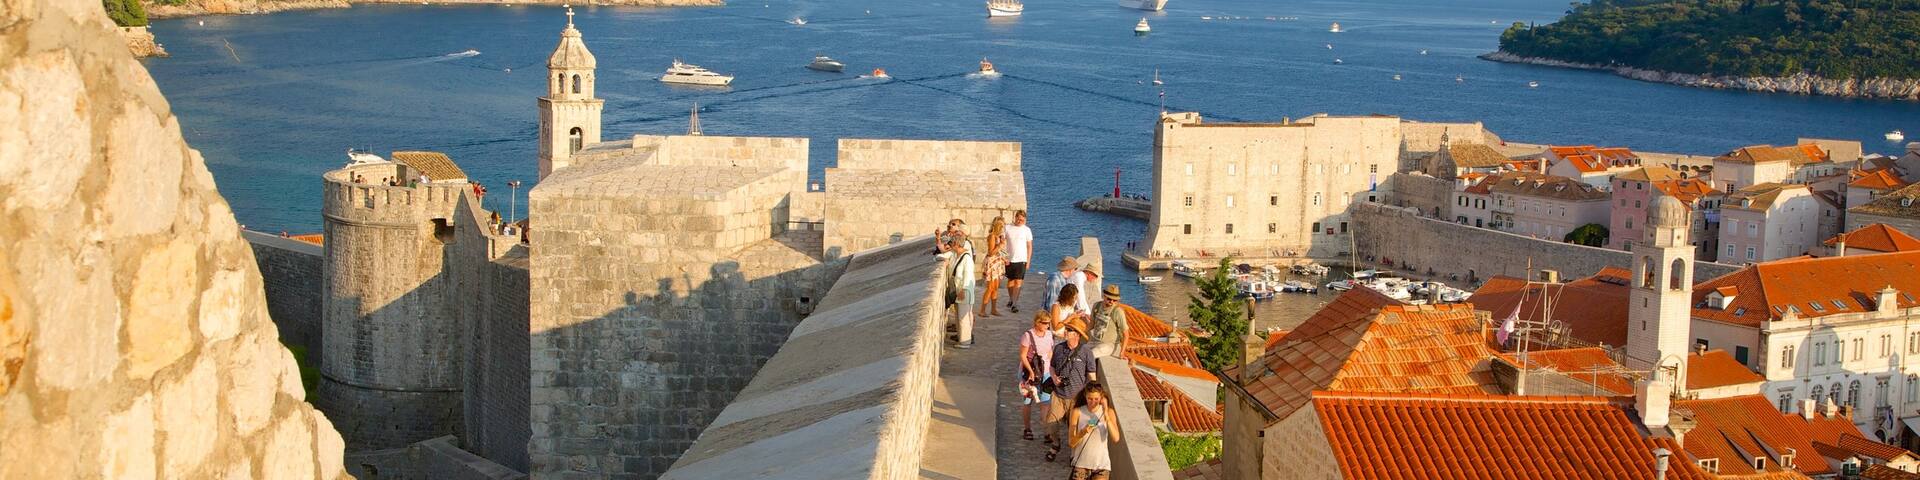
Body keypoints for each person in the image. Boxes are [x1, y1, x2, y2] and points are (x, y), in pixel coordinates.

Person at [1045, 322, 1097, 462]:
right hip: (1058, 394)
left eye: (1070, 330)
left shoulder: (1086, 352)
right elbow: (1052, 367)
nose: (1066, 331)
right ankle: (1056, 444)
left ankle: (1074, 452)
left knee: (1073, 426)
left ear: (1077, 335)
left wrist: (1091, 395)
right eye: (1067, 329)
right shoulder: (1058, 349)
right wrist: (1054, 377)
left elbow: (1091, 375)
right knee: (1051, 423)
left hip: (1076, 397)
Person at [1017, 313, 1056, 442]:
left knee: (1046, 402)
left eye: (1048, 323)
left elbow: (1050, 352)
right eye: (1045, 323)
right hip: (1030, 372)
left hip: (1046, 372)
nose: (1047, 325)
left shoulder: (1049, 334)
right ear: (1037, 322)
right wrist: (1030, 372)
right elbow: (1023, 355)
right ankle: (1027, 429)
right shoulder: (1027, 336)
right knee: (1028, 401)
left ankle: (1046, 431)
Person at [1067, 386, 1121, 480]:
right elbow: (1071, 443)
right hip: (1081, 465)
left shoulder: (1109, 412)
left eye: (1096, 399)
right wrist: (1083, 432)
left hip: (1102, 465)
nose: (1093, 402)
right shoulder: (1077, 412)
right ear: (1085, 396)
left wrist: (1106, 415)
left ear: (1101, 397)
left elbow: (1116, 438)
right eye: (1090, 399)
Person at [946, 238, 976, 349]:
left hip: (965, 291)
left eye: (951, 244)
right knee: (959, 316)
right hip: (959, 291)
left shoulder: (966, 258)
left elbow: (967, 276)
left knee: (963, 317)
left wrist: (963, 290)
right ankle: (961, 338)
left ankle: (965, 342)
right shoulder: (957, 255)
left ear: (956, 244)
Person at [977, 216, 1010, 318]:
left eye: (1003, 225)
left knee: (995, 288)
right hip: (992, 264)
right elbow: (991, 253)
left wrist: (1004, 259)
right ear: (996, 226)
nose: (1002, 228)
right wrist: (1000, 245)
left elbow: (998, 252)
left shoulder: (999, 237)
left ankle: (993, 309)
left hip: (998, 263)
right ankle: (982, 310)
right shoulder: (992, 236)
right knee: (990, 288)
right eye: (1001, 225)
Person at [1003, 210, 1034, 313]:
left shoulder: (1027, 230)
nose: (1020, 221)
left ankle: (1015, 304)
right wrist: (1004, 257)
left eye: (1023, 220)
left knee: (1018, 281)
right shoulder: (1007, 228)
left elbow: (1029, 246)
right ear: (1015, 217)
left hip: (1022, 259)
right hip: (1009, 259)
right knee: (1010, 282)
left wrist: (1028, 261)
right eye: (1019, 219)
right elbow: (1002, 243)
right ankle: (1011, 299)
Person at [1088, 284, 1130, 358]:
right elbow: (1091, 324)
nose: (1111, 301)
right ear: (1104, 296)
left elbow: (1126, 334)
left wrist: (1122, 353)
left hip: (1109, 345)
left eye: (1114, 300)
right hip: (1095, 341)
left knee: (1090, 355)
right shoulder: (1096, 306)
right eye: (1109, 299)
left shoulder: (1118, 312)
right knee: (1078, 352)